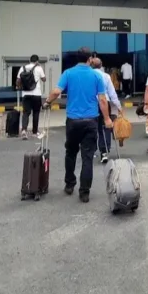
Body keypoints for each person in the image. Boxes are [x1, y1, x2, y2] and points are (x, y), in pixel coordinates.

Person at [45, 48, 111, 203]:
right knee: (87, 156)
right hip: (91, 121)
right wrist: (107, 119)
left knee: (71, 152)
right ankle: (84, 192)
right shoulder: (96, 75)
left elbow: (56, 92)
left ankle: (69, 184)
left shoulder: (68, 73)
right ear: (90, 59)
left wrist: (47, 102)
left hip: (73, 122)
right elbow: (102, 100)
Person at [90, 55, 121, 164]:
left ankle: (92, 150)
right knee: (105, 127)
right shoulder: (106, 76)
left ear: (91, 64)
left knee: (92, 127)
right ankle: (104, 152)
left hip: (91, 104)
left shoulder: (88, 75)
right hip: (104, 103)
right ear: (101, 65)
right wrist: (118, 106)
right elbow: (112, 93)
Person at [17, 55, 46, 139]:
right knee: (36, 112)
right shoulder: (39, 68)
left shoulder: (23, 68)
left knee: (26, 113)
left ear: (29, 60)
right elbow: (44, 79)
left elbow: (18, 80)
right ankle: (35, 131)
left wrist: (19, 87)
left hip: (26, 94)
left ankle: (24, 130)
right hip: (36, 94)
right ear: (37, 61)